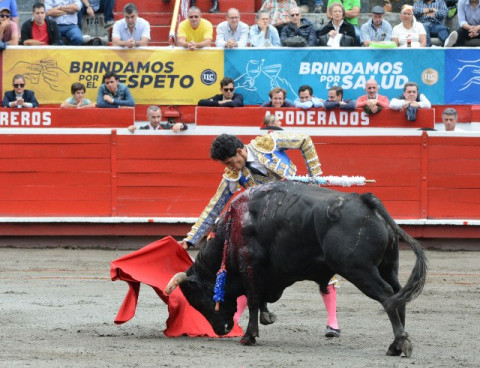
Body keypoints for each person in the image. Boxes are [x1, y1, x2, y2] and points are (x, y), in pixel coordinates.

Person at [179, 133, 341, 338]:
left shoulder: (267, 143)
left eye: (231, 162)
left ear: (239, 151)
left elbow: (305, 140)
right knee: (250, 265)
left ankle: (333, 322)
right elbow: (215, 206)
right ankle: (237, 321)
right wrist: (191, 239)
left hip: (298, 209)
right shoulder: (232, 175)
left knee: (322, 259)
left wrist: (316, 178)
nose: (231, 167)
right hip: (272, 228)